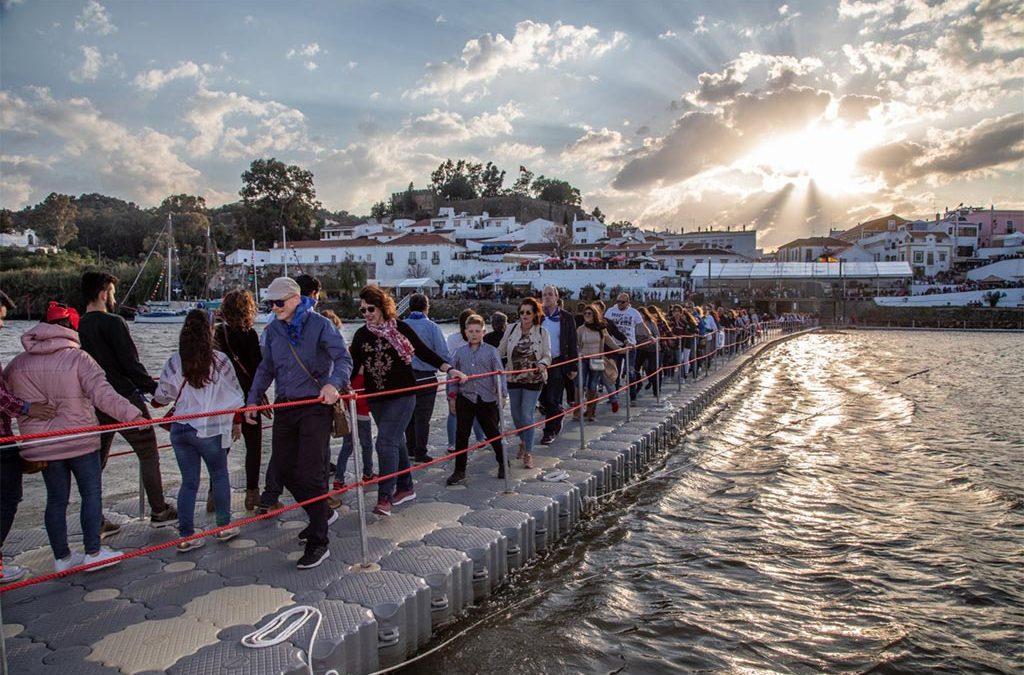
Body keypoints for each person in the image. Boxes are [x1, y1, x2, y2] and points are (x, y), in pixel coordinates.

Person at [6, 302, 143, 572]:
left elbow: (7, 399)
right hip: (80, 440)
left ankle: (62, 558)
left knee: (56, 500)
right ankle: (93, 552)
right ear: (71, 328)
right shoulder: (79, 359)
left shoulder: (17, 364)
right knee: (91, 495)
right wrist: (134, 415)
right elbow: (104, 395)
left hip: (43, 446)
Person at [244, 277, 352, 570]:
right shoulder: (273, 330)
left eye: (279, 302)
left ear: (295, 299)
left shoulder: (320, 325)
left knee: (311, 472)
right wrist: (253, 399)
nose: (275, 308)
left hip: (315, 405)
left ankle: (320, 541)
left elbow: (343, 358)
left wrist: (333, 384)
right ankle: (320, 514)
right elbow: (266, 368)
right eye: (270, 303)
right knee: (283, 469)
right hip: (285, 406)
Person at [348, 286, 464, 517]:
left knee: (384, 442)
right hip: (376, 399)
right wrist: (340, 387)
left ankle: (385, 496)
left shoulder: (401, 329)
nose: (367, 314)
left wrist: (449, 369)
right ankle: (406, 486)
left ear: (382, 306)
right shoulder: (361, 335)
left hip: (403, 395)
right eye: (362, 310)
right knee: (396, 441)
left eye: (370, 308)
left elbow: (423, 351)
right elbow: (351, 367)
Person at [78, 271, 177, 534]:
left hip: (93, 402)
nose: (113, 297)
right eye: (111, 292)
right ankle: (159, 509)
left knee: (95, 462)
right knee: (148, 452)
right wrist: (158, 390)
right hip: (124, 399)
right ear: (103, 293)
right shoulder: (114, 322)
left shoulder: (77, 326)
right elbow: (131, 365)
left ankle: (94, 520)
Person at [154, 309, 243, 552]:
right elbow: (236, 394)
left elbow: (162, 395)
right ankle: (223, 527)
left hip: (180, 428)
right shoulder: (220, 361)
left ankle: (186, 536)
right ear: (210, 331)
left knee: (189, 482)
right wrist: (232, 418)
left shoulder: (175, 360)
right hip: (210, 428)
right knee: (219, 475)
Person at [0, 290, 57, 584]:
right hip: (2, 440)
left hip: (7, 437)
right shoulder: (77, 358)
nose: (1, 326)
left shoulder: (17, 363)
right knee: (8, 498)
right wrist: (26, 407)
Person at [214, 289, 264, 511]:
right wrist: (260, 395)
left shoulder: (217, 334)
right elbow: (258, 369)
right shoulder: (250, 334)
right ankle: (252, 494)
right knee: (253, 447)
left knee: (222, 448)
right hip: (247, 396)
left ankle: (213, 494)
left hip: (223, 398)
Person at [446, 314, 505, 486]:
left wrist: (502, 395)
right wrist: (452, 397)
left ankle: (503, 462)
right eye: (470, 331)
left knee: (493, 432)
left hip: (486, 398)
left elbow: (499, 375)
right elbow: (452, 377)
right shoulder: (459, 352)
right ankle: (459, 470)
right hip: (466, 397)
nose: (474, 334)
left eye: (477, 331)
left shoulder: (491, 351)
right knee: (461, 434)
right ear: (465, 332)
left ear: (483, 332)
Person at [321, 310, 374, 489]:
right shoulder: (346, 351)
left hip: (344, 401)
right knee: (366, 442)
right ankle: (367, 473)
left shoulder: (345, 351)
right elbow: (359, 371)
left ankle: (339, 478)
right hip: (359, 401)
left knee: (348, 443)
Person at [497, 298, 551, 469]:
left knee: (527, 414)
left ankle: (528, 452)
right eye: (522, 312)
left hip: (533, 378)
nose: (525, 315)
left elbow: (547, 355)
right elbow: (501, 349)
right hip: (513, 377)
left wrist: (542, 364)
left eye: (528, 312)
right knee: (515, 414)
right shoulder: (512, 329)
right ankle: (523, 440)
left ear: (535, 313)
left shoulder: (542, 332)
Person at [402, 293, 449, 464]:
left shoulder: (402, 325)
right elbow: (443, 354)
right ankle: (421, 451)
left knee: (408, 414)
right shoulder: (432, 327)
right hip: (426, 376)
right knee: (423, 416)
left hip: (406, 377)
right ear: (426, 308)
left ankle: (410, 448)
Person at [538, 286, 579, 445]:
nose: (547, 297)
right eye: (544, 295)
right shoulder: (539, 316)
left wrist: (573, 366)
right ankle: (559, 413)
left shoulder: (566, 317)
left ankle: (549, 432)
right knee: (542, 399)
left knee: (552, 399)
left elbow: (573, 342)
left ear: (556, 297)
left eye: (550, 294)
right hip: (540, 362)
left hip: (557, 361)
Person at [576, 304, 621, 422]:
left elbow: (609, 340)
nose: (586, 316)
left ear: (594, 315)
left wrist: (620, 349)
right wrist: (578, 354)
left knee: (593, 385)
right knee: (580, 384)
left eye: (589, 313)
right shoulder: (581, 329)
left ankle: (591, 413)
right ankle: (577, 412)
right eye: (585, 314)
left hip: (597, 359)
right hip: (584, 359)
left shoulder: (601, 328)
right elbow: (577, 344)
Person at [604, 293, 644, 401]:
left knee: (630, 371)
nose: (620, 304)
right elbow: (607, 328)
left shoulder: (634, 312)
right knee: (614, 371)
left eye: (622, 302)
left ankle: (632, 395)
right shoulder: (611, 311)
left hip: (630, 345)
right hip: (615, 346)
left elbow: (642, 325)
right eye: (618, 301)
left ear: (628, 302)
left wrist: (650, 336)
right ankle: (614, 396)